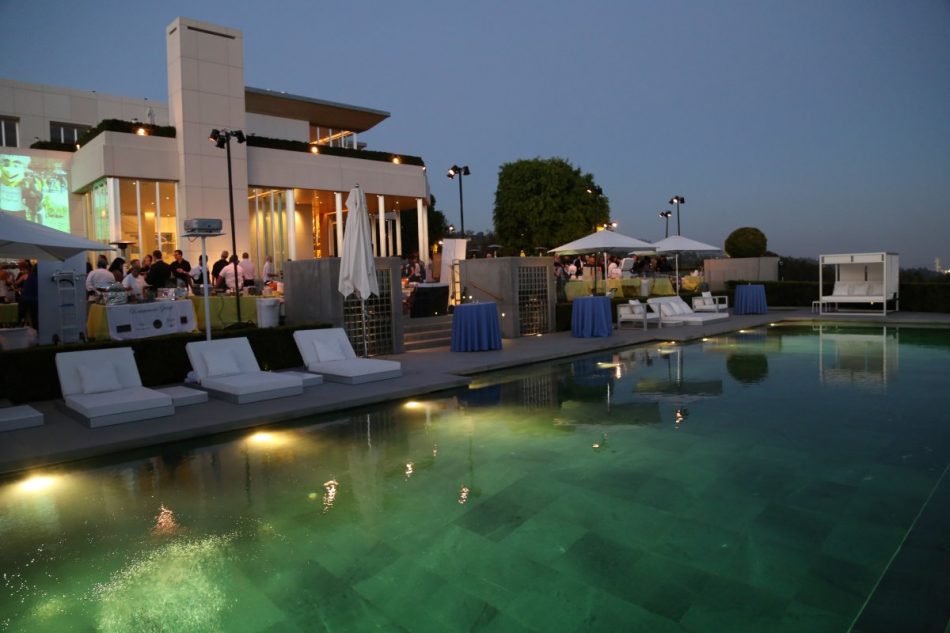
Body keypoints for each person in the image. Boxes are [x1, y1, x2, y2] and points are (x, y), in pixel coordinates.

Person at [14, 259, 38, 327]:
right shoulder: (38, 278)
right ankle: (34, 328)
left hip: (25, 298)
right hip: (33, 299)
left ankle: (18, 326)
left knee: (21, 314)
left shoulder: (26, 276)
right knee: (33, 316)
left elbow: (16, 283)